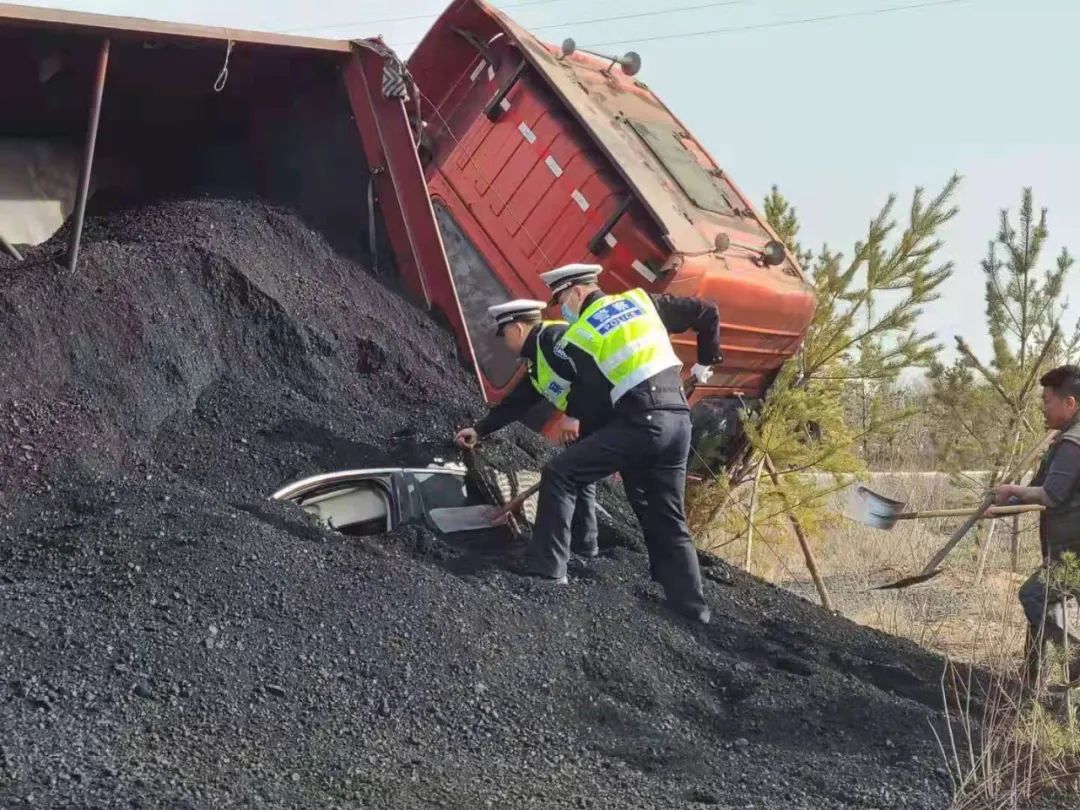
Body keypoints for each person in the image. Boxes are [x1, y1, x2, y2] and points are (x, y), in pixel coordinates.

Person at [528, 263, 722, 624]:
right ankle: (693, 609)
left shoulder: (581, 334)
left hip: (641, 420)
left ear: (576, 291)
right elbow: (707, 311)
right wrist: (704, 365)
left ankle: (548, 574)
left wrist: (586, 438)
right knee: (665, 511)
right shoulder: (642, 301)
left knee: (561, 472)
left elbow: (594, 401)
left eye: (560, 302)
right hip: (679, 421)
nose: (561, 311)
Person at [453, 300, 600, 572]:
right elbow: (517, 403)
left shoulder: (556, 340)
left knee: (561, 473)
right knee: (579, 475)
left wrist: (574, 415)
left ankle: (554, 559)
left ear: (519, 329)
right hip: (596, 424)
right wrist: (479, 429)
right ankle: (584, 549)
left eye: (505, 333)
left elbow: (591, 369)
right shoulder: (537, 360)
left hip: (614, 420)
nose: (504, 342)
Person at [993, 364, 1080, 685]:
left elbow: (1052, 496)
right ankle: (1033, 681)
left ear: (1069, 403)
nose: (1043, 407)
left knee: (1034, 596)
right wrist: (998, 507)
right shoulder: (1063, 442)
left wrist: (1012, 490)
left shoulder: (1073, 445)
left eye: (1047, 401)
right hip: (1067, 549)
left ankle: (1072, 659)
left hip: (1073, 552)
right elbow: (1038, 491)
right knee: (1043, 605)